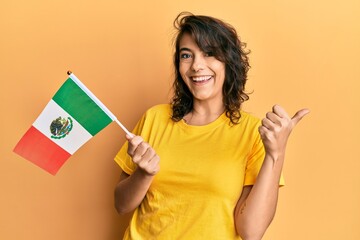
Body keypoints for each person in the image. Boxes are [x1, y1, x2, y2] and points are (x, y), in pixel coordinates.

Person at [114, 12, 309, 240]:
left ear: (229, 61)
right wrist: (144, 174)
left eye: (209, 54)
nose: (196, 66)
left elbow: (251, 231)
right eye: (186, 55)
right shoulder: (154, 119)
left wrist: (275, 153)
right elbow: (121, 205)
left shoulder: (253, 133)